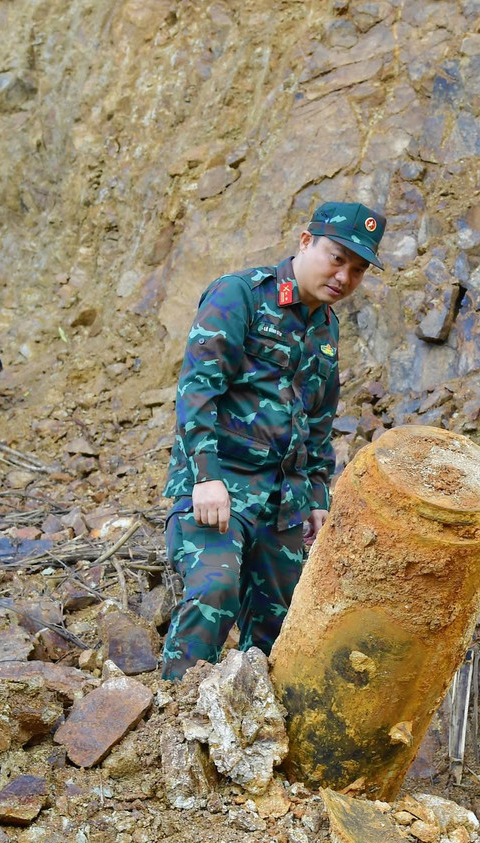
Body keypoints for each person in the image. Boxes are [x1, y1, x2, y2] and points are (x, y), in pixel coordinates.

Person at [161, 202, 387, 681]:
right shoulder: (240, 295)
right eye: (336, 257)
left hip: (283, 502)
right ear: (306, 242)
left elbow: (319, 421)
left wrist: (317, 497)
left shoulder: (326, 327)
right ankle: (173, 716)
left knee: (280, 628)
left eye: (357, 269)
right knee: (214, 588)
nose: (344, 277)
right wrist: (204, 477)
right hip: (220, 484)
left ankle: (256, 734)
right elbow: (197, 389)